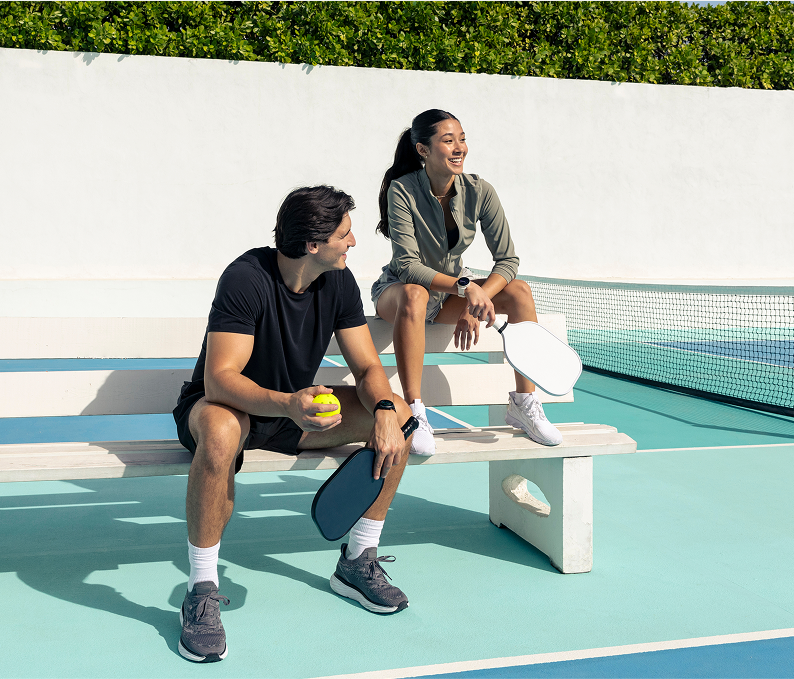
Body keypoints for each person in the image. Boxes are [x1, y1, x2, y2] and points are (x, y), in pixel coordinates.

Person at [173, 185, 414, 663]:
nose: (352, 243)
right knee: (221, 432)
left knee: (401, 416)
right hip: (227, 409)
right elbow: (219, 380)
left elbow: (368, 369)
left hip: (291, 414)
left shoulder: (339, 283)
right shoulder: (245, 278)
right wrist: (287, 403)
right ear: (312, 244)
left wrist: (385, 412)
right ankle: (201, 590)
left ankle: (358, 561)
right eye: (345, 234)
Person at [371, 109, 562, 456]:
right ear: (423, 150)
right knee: (414, 293)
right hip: (398, 294)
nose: (459, 147)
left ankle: (524, 402)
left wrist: (476, 301)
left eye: (462, 139)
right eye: (448, 140)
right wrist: (464, 287)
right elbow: (408, 265)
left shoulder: (480, 190)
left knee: (518, 291)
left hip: (447, 298)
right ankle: (414, 412)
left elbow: (508, 261)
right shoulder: (401, 190)